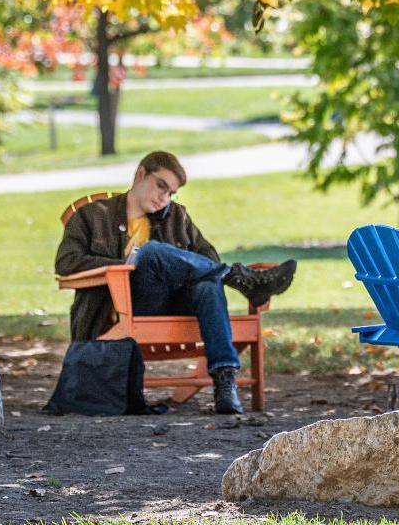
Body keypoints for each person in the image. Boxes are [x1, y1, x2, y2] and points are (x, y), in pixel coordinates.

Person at [55, 150, 297, 414]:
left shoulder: (176, 217)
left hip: (175, 305)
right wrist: (124, 264)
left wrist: (180, 266)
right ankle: (240, 279)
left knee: (207, 284)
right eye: (161, 186)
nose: (164, 198)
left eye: (171, 192)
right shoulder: (93, 215)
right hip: (123, 309)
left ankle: (224, 381)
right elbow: (66, 263)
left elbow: (208, 258)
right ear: (140, 174)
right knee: (150, 252)